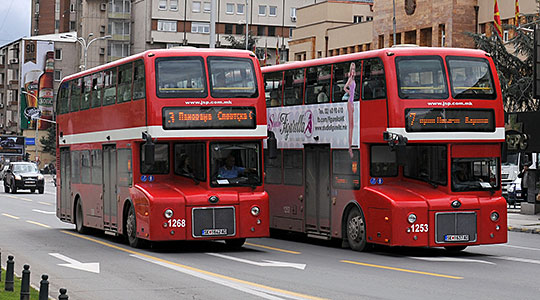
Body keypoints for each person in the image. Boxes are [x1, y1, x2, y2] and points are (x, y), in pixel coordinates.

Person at [343, 62, 356, 158]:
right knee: (351, 126)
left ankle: (350, 146)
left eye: (354, 70)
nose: (353, 72)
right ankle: (350, 147)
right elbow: (344, 88)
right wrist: (350, 93)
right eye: (351, 70)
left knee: (352, 125)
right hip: (350, 102)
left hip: (352, 102)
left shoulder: (353, 80)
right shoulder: (350, 80)